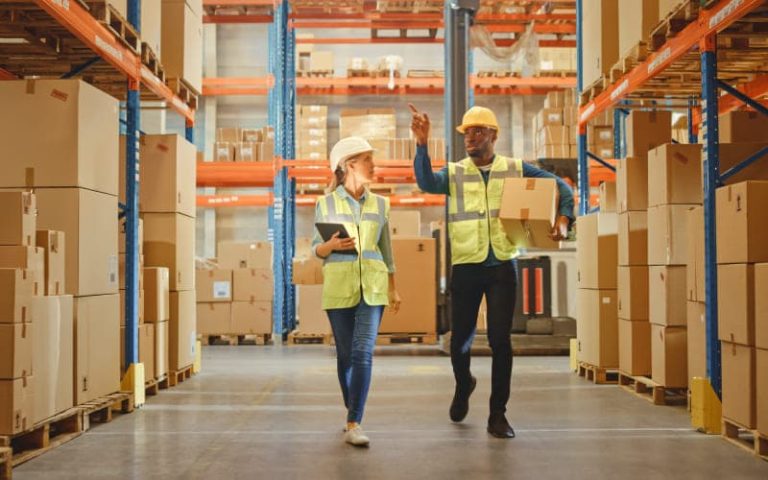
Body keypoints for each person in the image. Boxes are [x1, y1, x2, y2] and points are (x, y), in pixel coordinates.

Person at [408, 104, 574, 439]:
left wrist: (563, 219)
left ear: (493, 136)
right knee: (460, 342)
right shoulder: (454, 173)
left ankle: (498, 414)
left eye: (478, 131)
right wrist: (422, 145)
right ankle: (463, 384)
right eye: (466, 132)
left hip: (502, 264)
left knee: (500, 341)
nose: (470, 137)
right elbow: (425, 182)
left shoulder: (514, 168)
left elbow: (562, 187)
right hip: (466, 265)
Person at [312, 136, 402, 448]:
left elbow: (387, 251)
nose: (374, 165)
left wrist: (394, 288)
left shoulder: (381, 204)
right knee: (346, 356)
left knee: (363, 352)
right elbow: (316, 250)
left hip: (373, 289)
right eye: (368, 160)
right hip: (339, 288)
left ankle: (354, 421)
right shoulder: (325, 203)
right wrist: (331, 245)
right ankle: (352, 411)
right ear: (350, 165)